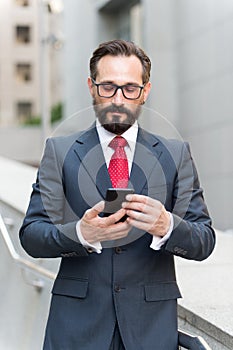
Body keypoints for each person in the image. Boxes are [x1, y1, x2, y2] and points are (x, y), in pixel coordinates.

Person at [19, 39, 215, 350]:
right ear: (91, 86)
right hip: (76, 327)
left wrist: (166, 226)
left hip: (150, 329)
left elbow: (204, 240)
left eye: (130, 88)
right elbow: (31, 235)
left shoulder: (175, 154)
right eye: (108, 87)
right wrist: (81, 233)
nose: (118, 99)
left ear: (145, 91)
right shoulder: (60, 151)